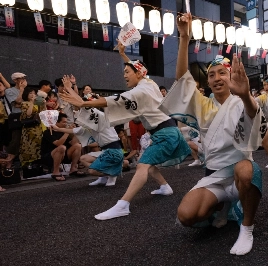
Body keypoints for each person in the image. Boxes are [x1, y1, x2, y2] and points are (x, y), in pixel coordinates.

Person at [159, 13, 266, 256]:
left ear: (232, 76)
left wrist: (246, 95)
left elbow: (252, 114)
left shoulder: (243, 100)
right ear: (207, 81)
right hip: (215, 176)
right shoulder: (203, 104)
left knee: (246, 170)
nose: (217, 78)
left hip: (240, 173)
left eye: (222, 73)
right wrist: (184, 37)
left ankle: (246, 227)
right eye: (211, 74)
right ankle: (223, 206)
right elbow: (182, 81)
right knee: (187, 216)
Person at [59, 42, 191, 220]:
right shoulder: (149, 82)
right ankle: (165, 187)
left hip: (165, 134)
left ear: (138, 73)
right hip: (166, 131)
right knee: (149, 166)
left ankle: (123, 204)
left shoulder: (140, 91)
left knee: (143, 165)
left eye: (127, 72)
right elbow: (137, 69)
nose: (124, 76)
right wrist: (123, 55)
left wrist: (83, 103)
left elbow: (113, 100)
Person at [40, 113, 83, 181]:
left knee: (78, 146)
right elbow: (58, 143)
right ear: (56, 122)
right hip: (49, 156)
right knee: (61, 147)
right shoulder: (48, 132)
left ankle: (73, 169)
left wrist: (76, 132)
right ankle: (55, 172)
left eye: (66, 122)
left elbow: (73, 143)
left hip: (63, 155)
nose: (65, 124)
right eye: (64, 122)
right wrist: (67, 132)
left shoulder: (63, 131)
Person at [2, 72, 27, 164]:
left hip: (28, 118)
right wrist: (21, 90)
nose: (23, 80)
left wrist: (20, 103)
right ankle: (8, 163)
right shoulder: (9, 91)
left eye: (24, 78)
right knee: (16, 140)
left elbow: (24, 104)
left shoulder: (28, 90)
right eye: (21, 78)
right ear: (15, 80)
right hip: (18, 118)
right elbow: (16, 103)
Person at [19, 87, 46, 167]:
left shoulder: (38, 104)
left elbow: (43, 113)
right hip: (29, 129)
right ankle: (28, 165)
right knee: (29, 146)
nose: (32, 95)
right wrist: (31, 102)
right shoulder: (24, 103)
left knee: (38, 146)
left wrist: (44, 104)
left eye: (34, 93)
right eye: (30, 93)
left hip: (38, 128)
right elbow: (28, 114)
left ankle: (38, 164)